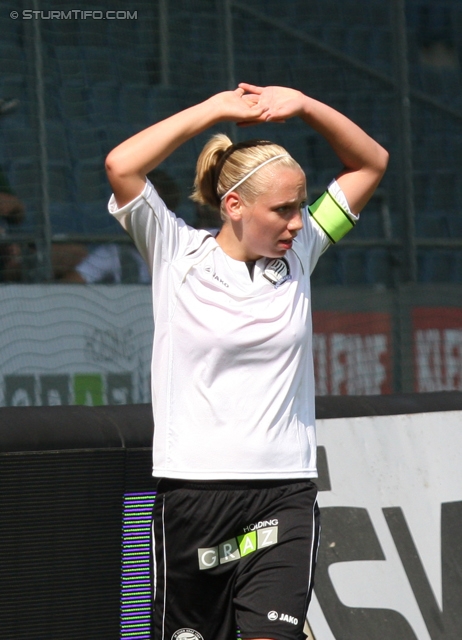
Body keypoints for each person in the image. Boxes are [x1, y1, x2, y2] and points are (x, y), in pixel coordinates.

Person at [105, 83, 388, 640]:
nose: (297, 223)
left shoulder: (300, 254)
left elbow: (370, 162)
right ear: (233, 205)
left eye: (301, 209)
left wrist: (306, 105)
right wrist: (213, 109)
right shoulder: (174, 252)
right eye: (282, 210)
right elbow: (121, 165)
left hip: (284, 493)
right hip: (195, 494)